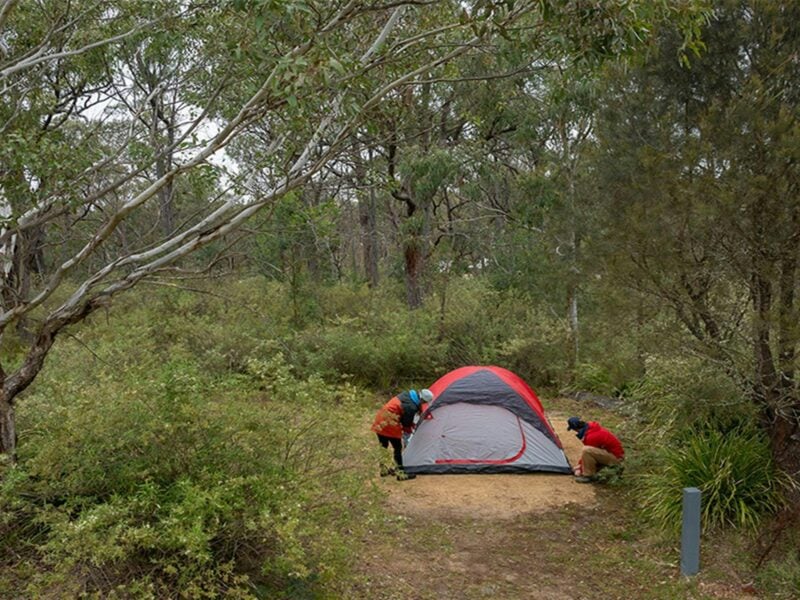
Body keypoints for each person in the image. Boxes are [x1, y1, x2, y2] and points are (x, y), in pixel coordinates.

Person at [372, 388, 433, 481]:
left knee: (383, 447)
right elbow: (406, 424)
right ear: (422, 400)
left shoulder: (407, 395)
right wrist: (409, 434)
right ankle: (401, 474)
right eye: (424, 402)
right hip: (389, 424)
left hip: (380, 420)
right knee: (397, 448)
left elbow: (404, 414)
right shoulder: (410, 406)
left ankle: (383, 470)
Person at [566, 416, 625, 483]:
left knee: (587, 450)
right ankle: (608, 471)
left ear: (576, 428)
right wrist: (579, 466)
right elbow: (589, 455)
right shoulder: (591, 429)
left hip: (616, 458)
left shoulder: (591, 436)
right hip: (612, 454)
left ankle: (588, 476)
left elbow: (588, 453)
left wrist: (580, 469)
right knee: (588, 451)